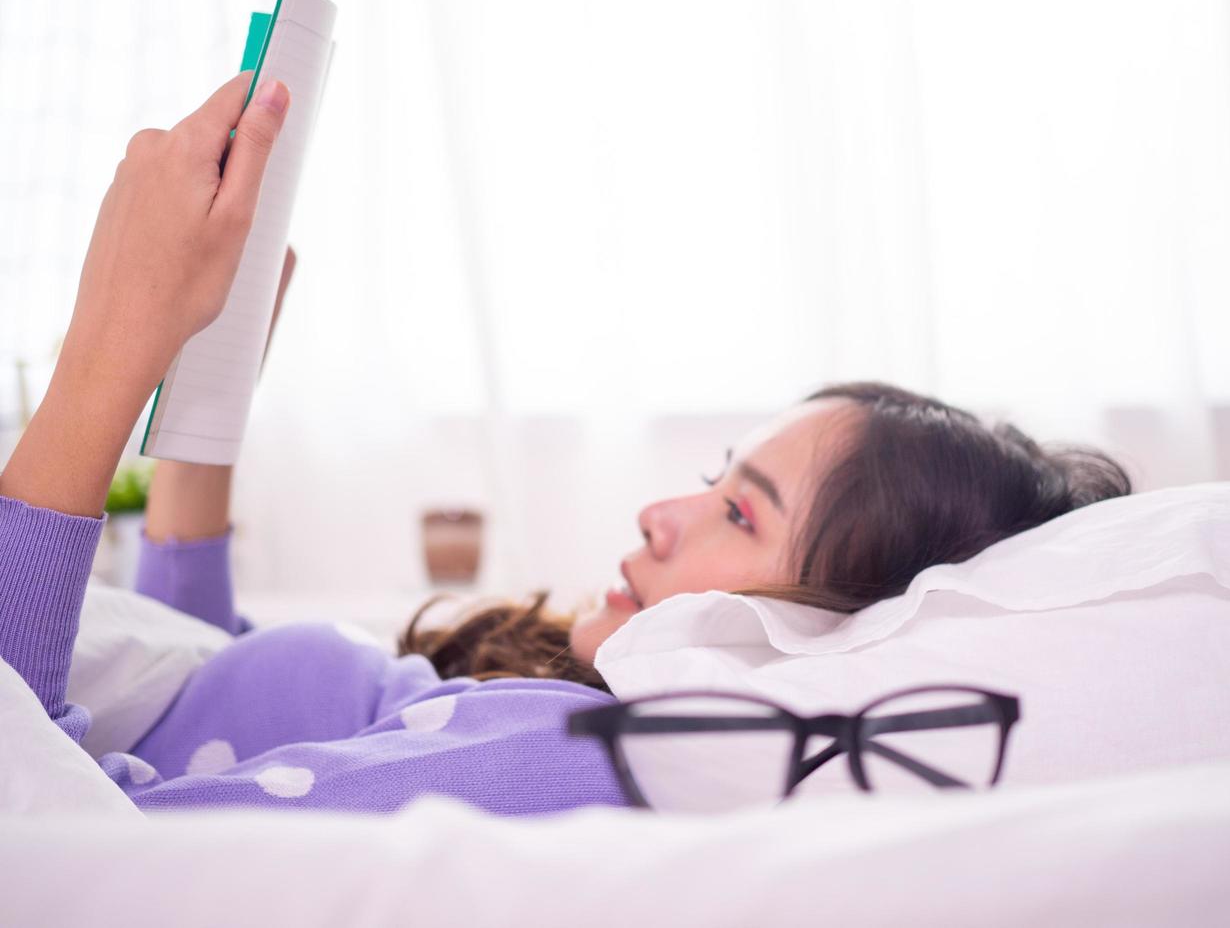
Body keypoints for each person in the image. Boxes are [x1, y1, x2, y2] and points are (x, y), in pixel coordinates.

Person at [0, 74, 1130, 817]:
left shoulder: (568, 743)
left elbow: (62, 817)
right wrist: (214, 387)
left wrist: (114, 344)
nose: (657, 512)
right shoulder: (548, 688)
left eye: (741, 513)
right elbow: (210, 674)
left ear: (840, 626)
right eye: (710, 481)